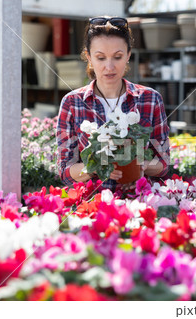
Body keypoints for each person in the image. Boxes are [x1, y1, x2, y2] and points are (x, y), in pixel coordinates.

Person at [57, 16, 169, 190]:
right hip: (93, 205)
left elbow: (163, 164)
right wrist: (96, 167)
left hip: (139, 201)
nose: (109, 67)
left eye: (117, 57)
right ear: (89, 57)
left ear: (128, 55)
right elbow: (65, 171)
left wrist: (139, 165)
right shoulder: (73, 103)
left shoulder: (150, 99)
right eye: (101, 58)